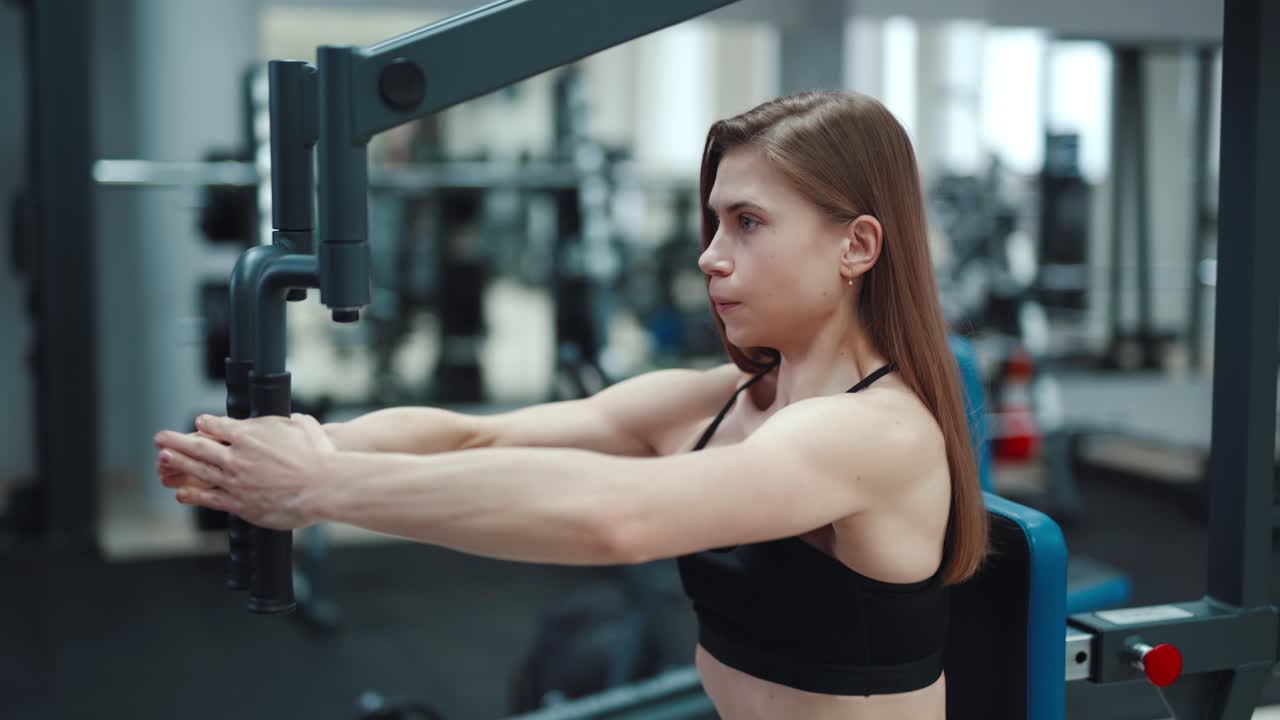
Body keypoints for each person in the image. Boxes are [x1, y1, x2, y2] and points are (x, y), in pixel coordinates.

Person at [155, 90, 988, 719]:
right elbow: (475, 437)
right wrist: (299, 449)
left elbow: (614, 520)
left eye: (746, 223)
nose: (708, 256)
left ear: (857, 246)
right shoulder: (713, 400)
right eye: (712, 224)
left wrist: (317, 491)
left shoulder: (876, 433)